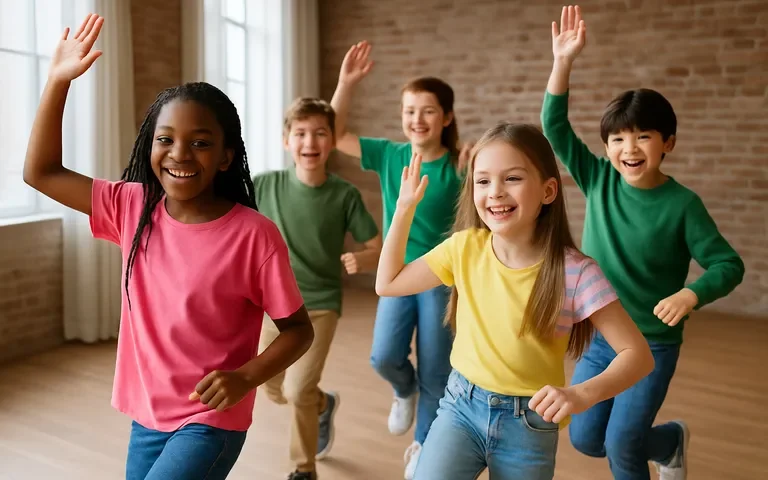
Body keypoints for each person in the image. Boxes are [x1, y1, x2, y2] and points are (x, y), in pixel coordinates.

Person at [23, 14, 314, 480]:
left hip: (211, 421)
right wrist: (58, 81)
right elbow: (41, 173)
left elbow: (299, 330)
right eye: (166, 139)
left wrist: (246, 377)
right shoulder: (130, 206)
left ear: (225, 157)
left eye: (200, 143)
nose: (179, 153)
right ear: (150, 145)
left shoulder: (254, 235)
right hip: (148, 416)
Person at [375, 122, 655, 479]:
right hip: (460, 406)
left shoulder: (577, 272)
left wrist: (581, 395)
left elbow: (639, 356)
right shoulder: (463, 248)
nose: (495, 192)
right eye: (483, 181)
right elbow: (388, 283)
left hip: (529, 424)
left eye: (512, 179)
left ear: (548, 190)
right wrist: (403, 210)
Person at [541, 6, 746, 480]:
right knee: (585, 437)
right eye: (617, 138)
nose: (629, 149)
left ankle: (653, 444)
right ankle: (670, 440)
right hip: (600, 335)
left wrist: (691, 293)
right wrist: (563, 63)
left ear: (667, 143)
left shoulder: (683, 205)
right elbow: (554, 128)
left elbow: (727, 265)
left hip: (652, 342)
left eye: (643, 137)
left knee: (622, 445)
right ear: (607, 146)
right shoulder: (596, 178)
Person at [330, 40, 471, 479]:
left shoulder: (459, 164)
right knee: (383, 356)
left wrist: (476, 157)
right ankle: (403, 389)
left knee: (436, 370)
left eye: (427, 111)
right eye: (410, 110)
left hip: (439, 278)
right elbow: (334, 134)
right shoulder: (391, 155)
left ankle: (423, 447)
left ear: (445, 117)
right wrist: (346, 83)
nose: (417, 119)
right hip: (396, 277)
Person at [254, 97, 382, 480]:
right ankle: (322, 404)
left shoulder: (344, 195)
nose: (310, 141)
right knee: (269, 387)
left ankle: (303, 468)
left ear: (331, 142)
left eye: (320, 133)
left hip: (320, 308)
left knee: (296, 391)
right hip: (272, 307)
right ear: (286, 140)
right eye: (301, 133)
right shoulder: (264, 186)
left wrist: (363, 259)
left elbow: (377, 246)